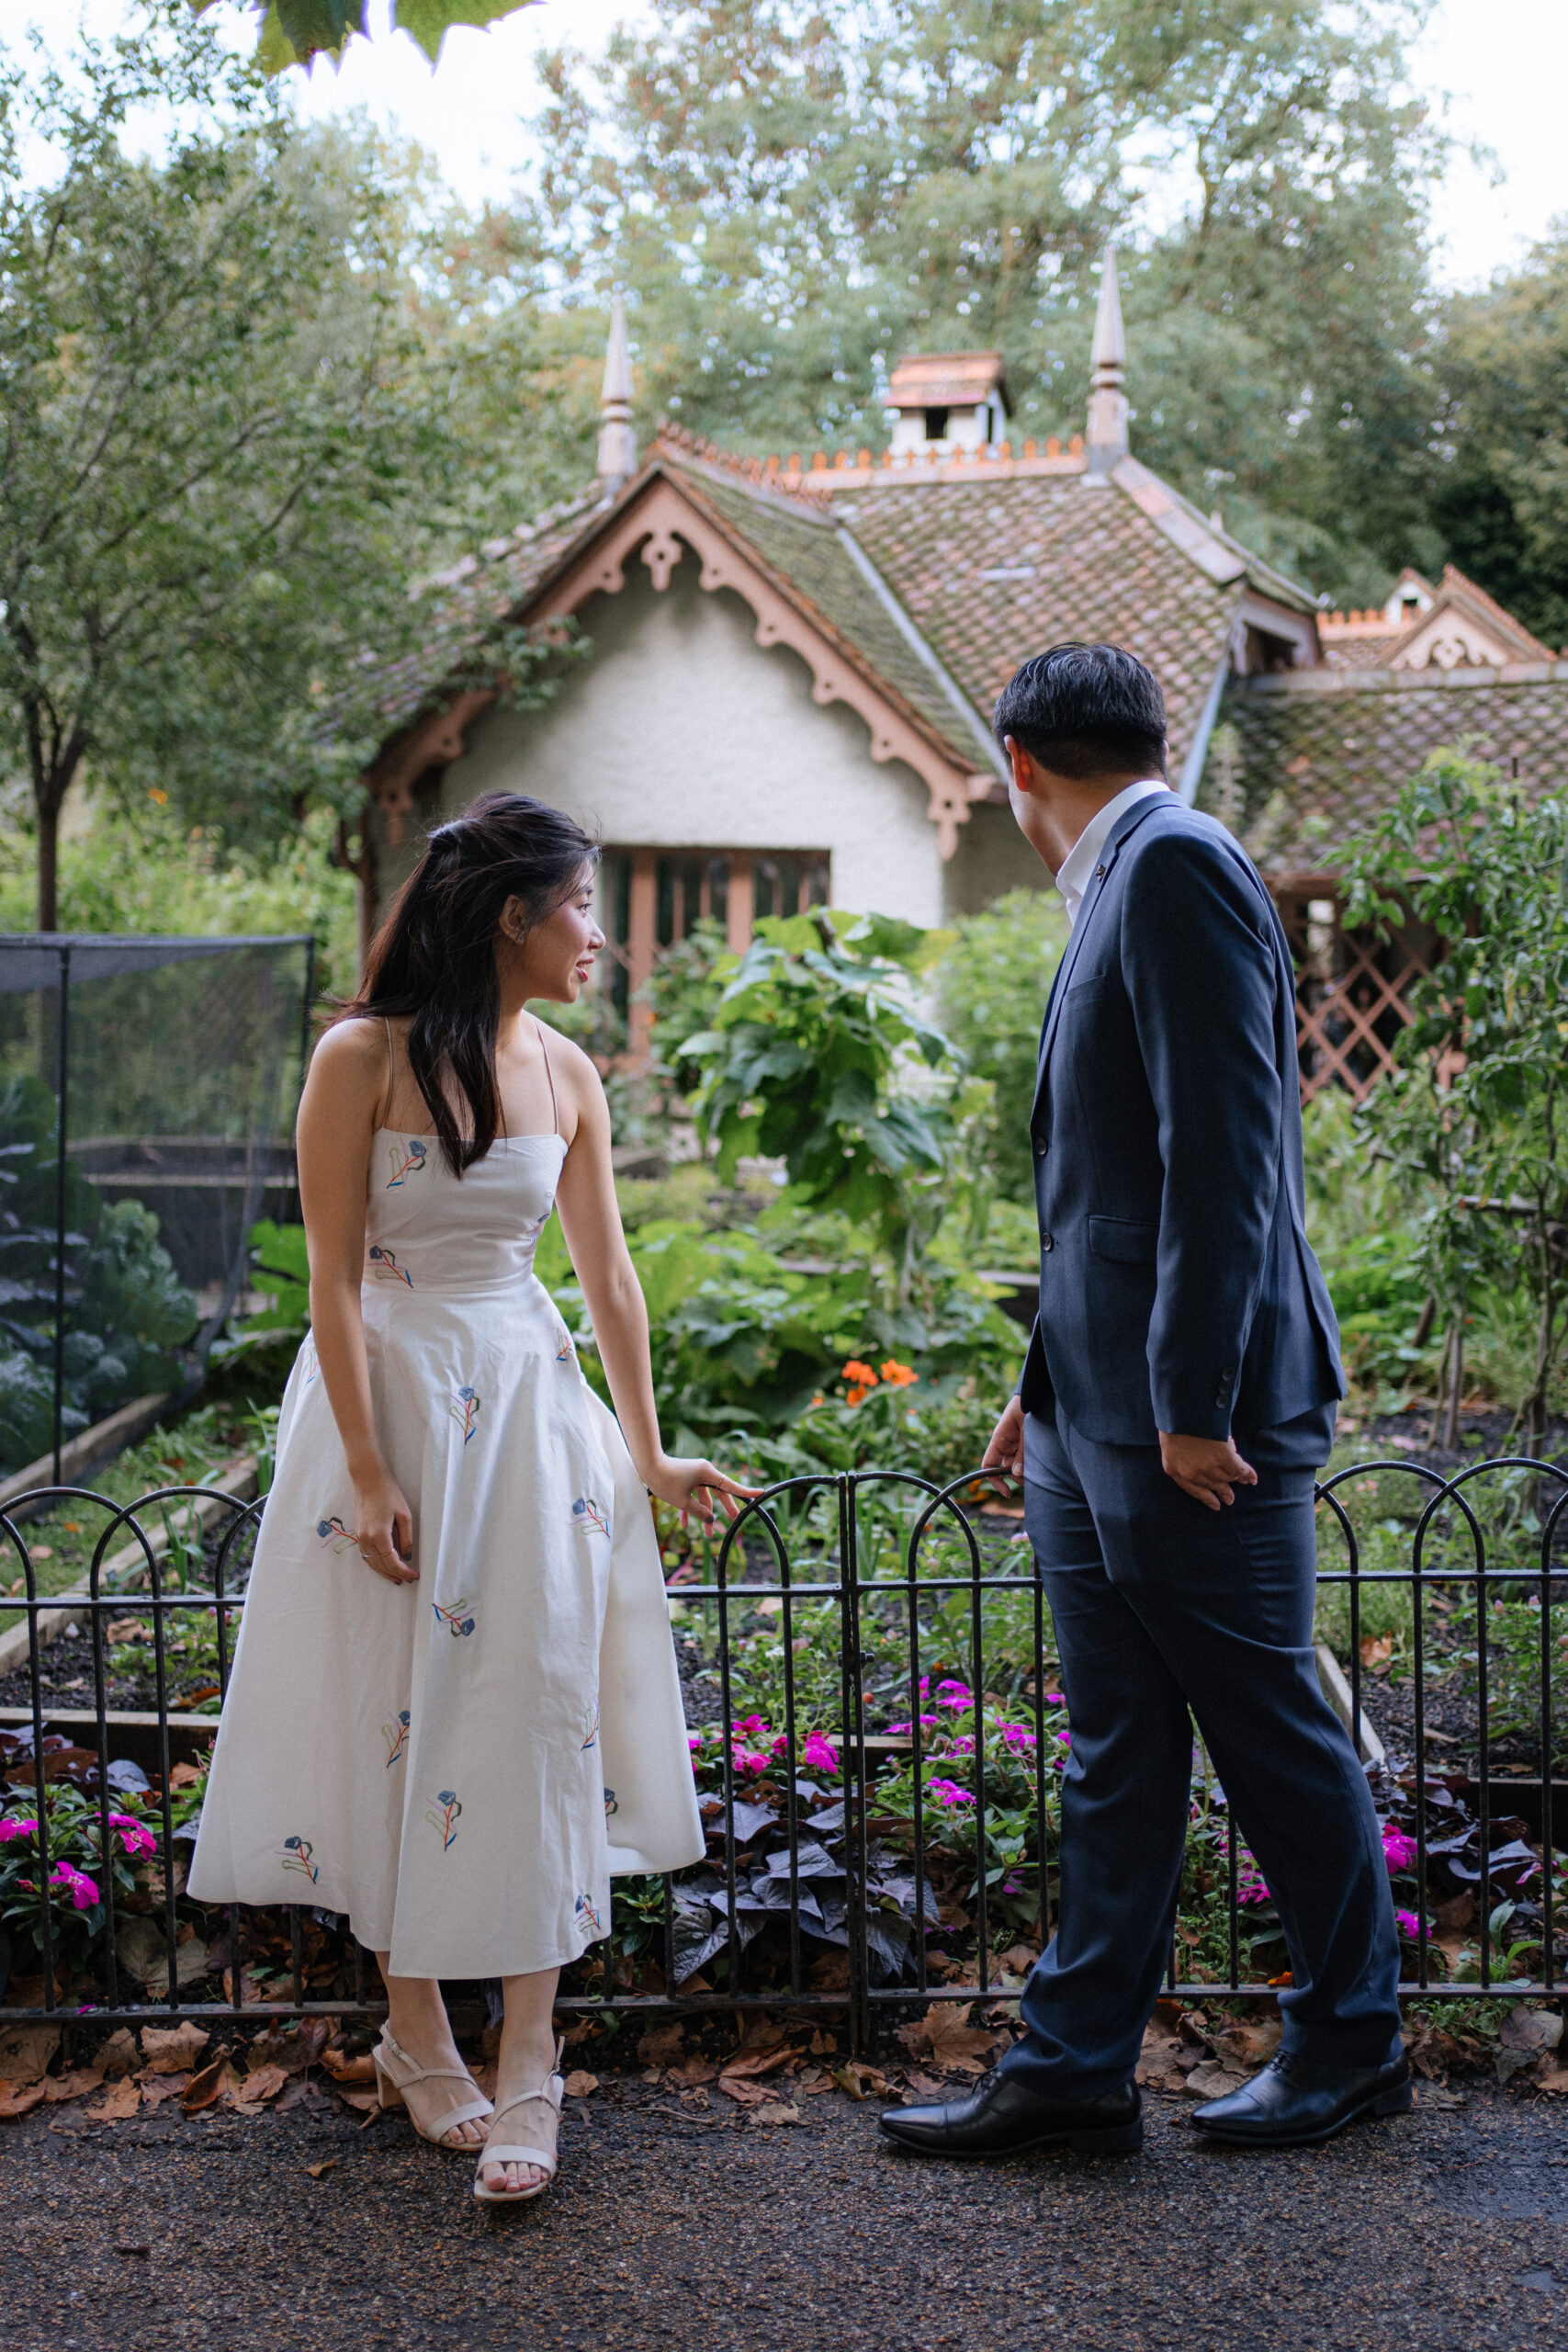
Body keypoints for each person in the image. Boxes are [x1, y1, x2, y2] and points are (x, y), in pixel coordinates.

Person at [880, 643, 1404, 2163]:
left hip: (1201, 1425)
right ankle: (1075, 2067)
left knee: (1276, 1737)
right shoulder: (1121, 874)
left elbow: (1227, 1167)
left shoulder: (1176, 868)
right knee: (1117, 1744)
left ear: (1016, 764)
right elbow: (1105, 1192)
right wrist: (1040, 1389)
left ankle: (1354, 2043)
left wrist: (1184, 1403)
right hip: (1090, 1416)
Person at [190, 793, 753, 2202]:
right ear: (511, 913)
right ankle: (416, 2034)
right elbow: (326, 1278)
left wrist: (650, 1450)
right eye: (580, 908)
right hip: (386, 1409)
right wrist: (372, 1471)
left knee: (536, 1714)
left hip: (527, 1415)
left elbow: (610, 1280)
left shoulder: (567, 1072)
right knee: (401, 1719)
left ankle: (532, 2065)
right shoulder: (357, 1059)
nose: (599, 940)